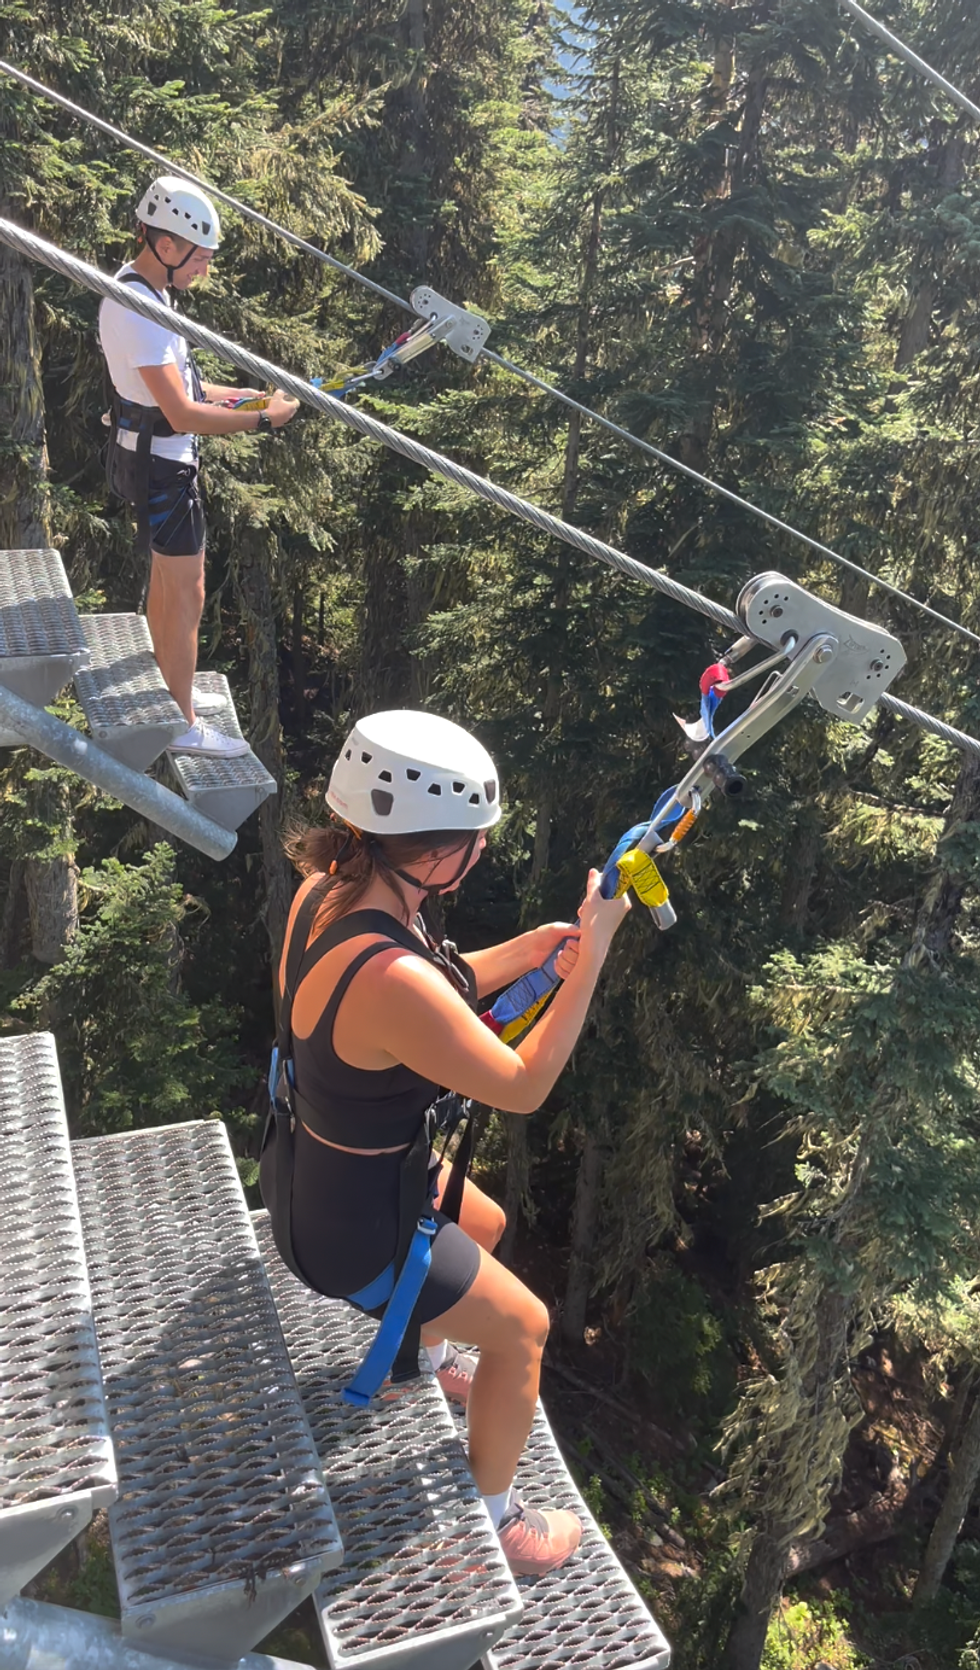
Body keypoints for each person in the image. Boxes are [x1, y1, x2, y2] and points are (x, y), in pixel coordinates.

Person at [260, 709, 630, 1575]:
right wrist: (599, 949)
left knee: (489, 1226)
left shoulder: (334, 889)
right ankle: (494, 1529)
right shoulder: (392, 979)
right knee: (526, 1328)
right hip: (351, 1231)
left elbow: (437, 979)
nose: (479, 854)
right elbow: (523, 1084)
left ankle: (421, 1362)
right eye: (473, 841)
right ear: (429, 854)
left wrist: (534, 951)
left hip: (315, 1172)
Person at [98, 175, 299, 757]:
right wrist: (262, 422)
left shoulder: (145, 294)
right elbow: (182, 413)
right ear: (166, 245)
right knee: (188, 592)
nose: (203, 270)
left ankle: (171, 689)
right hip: (164, 468)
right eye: (199, 257)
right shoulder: (141, 310)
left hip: (151, 459)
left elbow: (184, 386)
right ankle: (183, 725)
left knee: (170, 582)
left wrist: (252, 397)